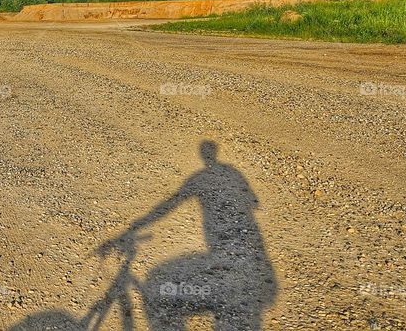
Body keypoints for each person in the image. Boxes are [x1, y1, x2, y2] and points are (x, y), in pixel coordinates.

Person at [97, 140, 276, 330]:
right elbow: (253, 202)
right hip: (248, 248)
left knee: (162, 286)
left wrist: (136, 226)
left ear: (204, 156)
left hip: (217, 247)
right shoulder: (232, 172)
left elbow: (172, 203)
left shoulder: (200, 177)